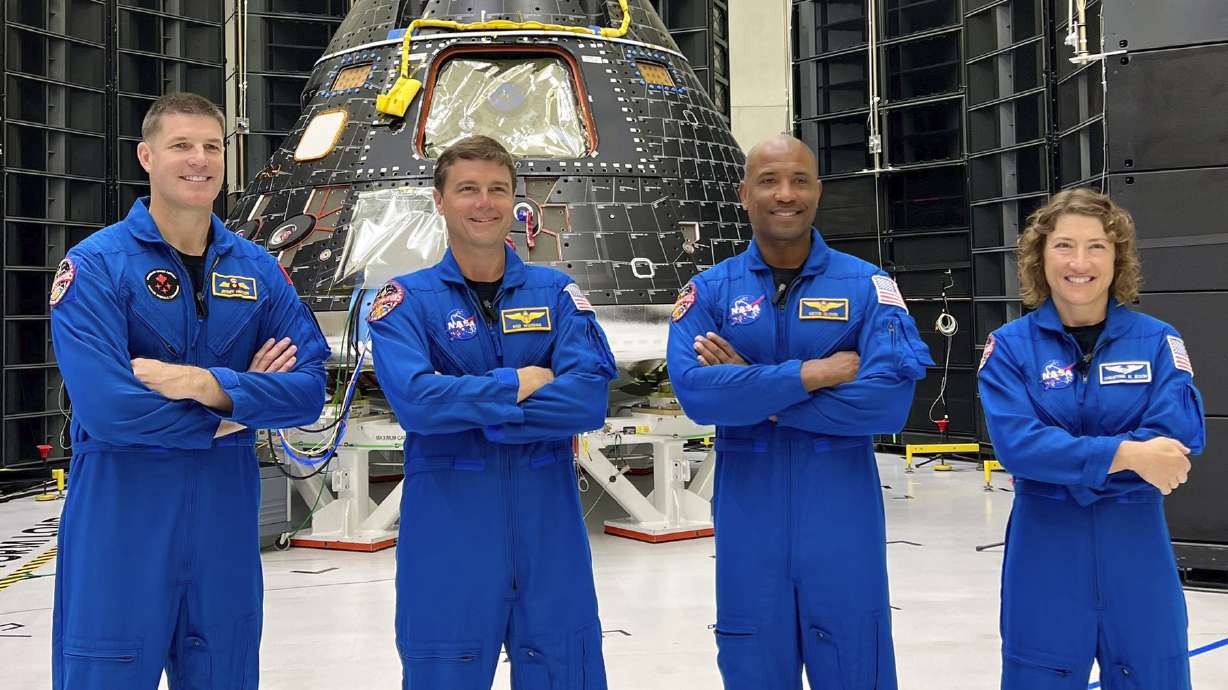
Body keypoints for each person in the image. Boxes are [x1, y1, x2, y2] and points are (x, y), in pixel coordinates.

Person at [48, 92, 330, 689]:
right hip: (122, 519)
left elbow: (307, 390)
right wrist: (238, 409)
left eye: (211, 147)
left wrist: (207, 384)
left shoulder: (256, 270)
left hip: (224, 527)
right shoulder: (96, 267)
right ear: (146, 157)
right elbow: (110, 409)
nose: (198, 160)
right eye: (181, 146)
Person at [666, 134, 933, 690]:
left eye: (798, 180)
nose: (784, 194)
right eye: (768, 181)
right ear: (744, 194)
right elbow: (697, 395)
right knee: (752, 667)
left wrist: (756, 395)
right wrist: (809, 374)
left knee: (856, 665)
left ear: (818, 190)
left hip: (842, 519)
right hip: (748, 524)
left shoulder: (867, 288)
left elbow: (888, 403)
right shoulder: (709, 292)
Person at [366, 135, 617, 690]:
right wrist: (519, 382)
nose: (485, 203)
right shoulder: (405, 302)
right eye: (468, 189)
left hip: (549, 529)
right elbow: (417, 404)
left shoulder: (556, 293)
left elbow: (588, 399)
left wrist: (473, 403)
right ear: (439, 200)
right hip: (449, 531)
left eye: (498, 190)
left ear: (515, 201)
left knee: (566, 672)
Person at [978, 188, 1203, 689]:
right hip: (1045, 552)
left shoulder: (1159, 341)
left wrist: (1073, 466)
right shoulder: (1010, 349)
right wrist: (1126, 455)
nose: (1079, 262)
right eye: (1063, 246)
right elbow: (1019, 447)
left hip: (1137, 550)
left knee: (1155, 675)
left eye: (1096, 246)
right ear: (1040, 256)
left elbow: (1178, 437)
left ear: (1117, 256)